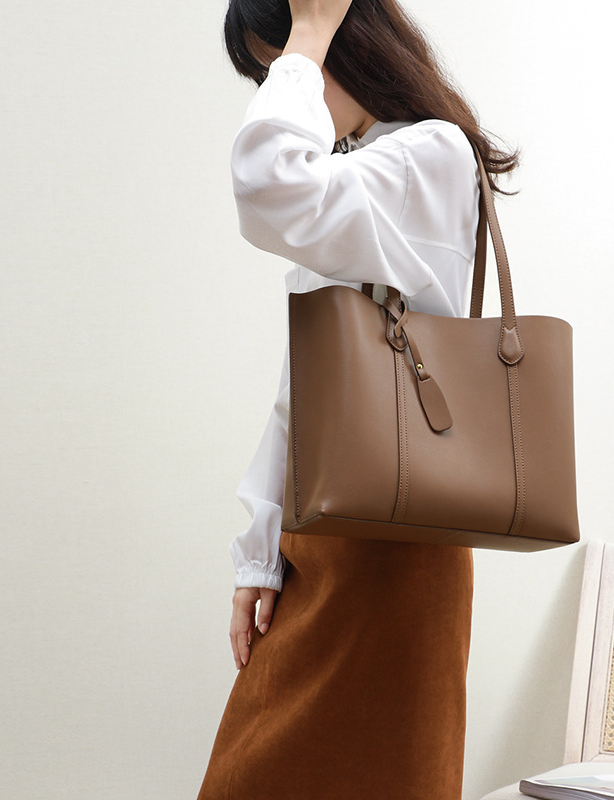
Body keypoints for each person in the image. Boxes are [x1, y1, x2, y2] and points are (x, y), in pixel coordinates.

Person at [196, 0, 519, 797]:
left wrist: (308, 34)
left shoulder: (430, 156)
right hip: (322, 541)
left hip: (393, 551)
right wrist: (261, 549)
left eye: (284, 64)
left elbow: (266, 185)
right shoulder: (368, 170)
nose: (284, 83)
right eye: (269, 73)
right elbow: (305, 384)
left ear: (352, 43)